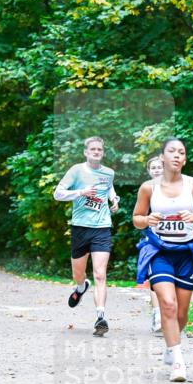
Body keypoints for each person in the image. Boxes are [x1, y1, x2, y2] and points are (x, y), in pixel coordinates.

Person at [132, 138, 193, 382]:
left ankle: (171, 345)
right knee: (167, 304)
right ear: (162, 157)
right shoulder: (148, 188)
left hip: (186, 253)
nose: (177, 155)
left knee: (181, 313)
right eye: (172, 151)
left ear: (185, 159)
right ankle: (178, 362)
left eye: (181, 152)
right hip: (159, 252)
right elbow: (136, 218)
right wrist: (147, 220)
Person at [53, 137, 120, 336]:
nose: (96, 152)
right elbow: (58, 194)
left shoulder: (109, 173)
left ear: (103, 152)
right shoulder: (76, 171)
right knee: (78, 274)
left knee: (100, 274)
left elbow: (109, 188)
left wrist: (114, 199)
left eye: (100, 149)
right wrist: (81, 192)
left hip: (102, 227)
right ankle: (81, 287)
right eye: (93, 149)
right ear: (86, 152)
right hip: (80, 228)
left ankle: (100, 317)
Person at [143, 155, 164, 332]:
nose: (156, 170)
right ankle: (157, 316)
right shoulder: (146, 190)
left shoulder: (177, 188)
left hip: (176, 239)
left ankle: (169, 314)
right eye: (153, 168)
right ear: (149, 171)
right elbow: (139, 216)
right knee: (155, 279)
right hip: (154, 239)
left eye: (159, 167)